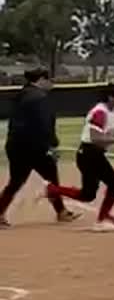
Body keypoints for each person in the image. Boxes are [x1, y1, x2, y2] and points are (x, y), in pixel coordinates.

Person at [49, 83, 114, 231]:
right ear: (110, 96)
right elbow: (95, 138)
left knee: (87, 195)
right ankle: (101, 220)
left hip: (94, 154)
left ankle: (53, 189)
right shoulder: (100, 112)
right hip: (89, 154)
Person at [0, 69, 77, 228]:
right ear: (41, 80)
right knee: (51, 179)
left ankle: (61, 211)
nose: (52, 83)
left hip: (16, 145)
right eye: (49, 80)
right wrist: (52, 144)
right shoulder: (39, 97)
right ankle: (61, 212)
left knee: (16, 182)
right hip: (34, 147)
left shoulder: (22, 94)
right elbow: (44, 124)